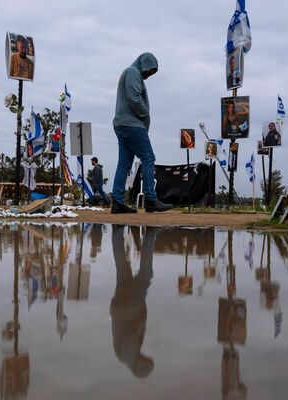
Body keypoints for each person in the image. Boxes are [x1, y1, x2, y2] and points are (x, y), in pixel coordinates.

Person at [111, 52, 172, 214]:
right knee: (148, 157)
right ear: (143, 64)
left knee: (124, 164)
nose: (149, 74)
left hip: (122, 124)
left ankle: (117, 202)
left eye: (152, 72)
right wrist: (145, 114)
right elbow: (134, 98)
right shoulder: (133, 72)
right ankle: (151, 199)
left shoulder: (129, 72)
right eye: (149, 70)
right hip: (133, 125)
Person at [110, 225, 156, 378]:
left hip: (130, 306)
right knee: (121, 265)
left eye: (147, 360)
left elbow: (131, 332)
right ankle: (116, 233)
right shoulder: (123, 357)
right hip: (119, 306)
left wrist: (142, 315)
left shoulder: (129, 355)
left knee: (147, 273)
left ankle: (150, 237)